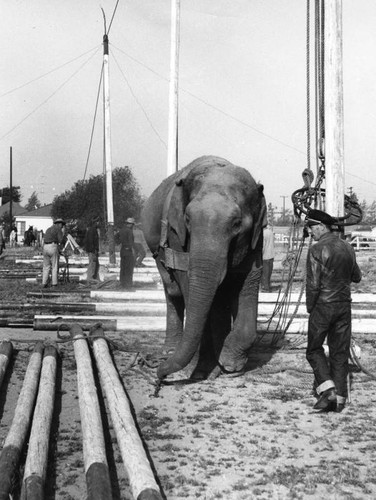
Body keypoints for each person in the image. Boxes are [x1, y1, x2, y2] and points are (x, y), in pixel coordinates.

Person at [305, 209, 362, 413]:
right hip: (343, 306)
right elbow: (357, 277)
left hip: (323, 306)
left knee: (313, 350)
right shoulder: (348, 247)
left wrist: (310, 307)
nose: (311, 232)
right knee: (339, 351)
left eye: (311, 228)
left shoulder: (316, 249)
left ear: (321, 226)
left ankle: (327, 389)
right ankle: (339, 399)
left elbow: (313, 285)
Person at [42, 218, 66, 288]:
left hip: (45, 247)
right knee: (54, 266)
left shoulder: (48, 229)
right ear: (59, 224)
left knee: (46, 266)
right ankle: (54, 284)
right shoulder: (58, 229)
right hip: (52, 246)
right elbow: (60, 240)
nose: (62, 226)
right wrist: (63, 234)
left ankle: (44, 283)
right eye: (62, 225)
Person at [119, 218, 136, 289]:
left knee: (123, 268)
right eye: (132, 224)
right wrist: (133, 252)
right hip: (128, 251)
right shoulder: (129, 231)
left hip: (122, 250)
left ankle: (122, 283)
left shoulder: (121, 230)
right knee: (129, 268)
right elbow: (131, 243)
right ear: (130, 224)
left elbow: (117, 239)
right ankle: (128, 284)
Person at [261, 223, 275, 292]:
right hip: (271, 255)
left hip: (265, 256)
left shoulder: (263, 234)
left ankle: (265, 288)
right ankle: (268, 287)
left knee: (264, 275)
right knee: (269, 274)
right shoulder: (271, 232)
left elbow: (263, 246)